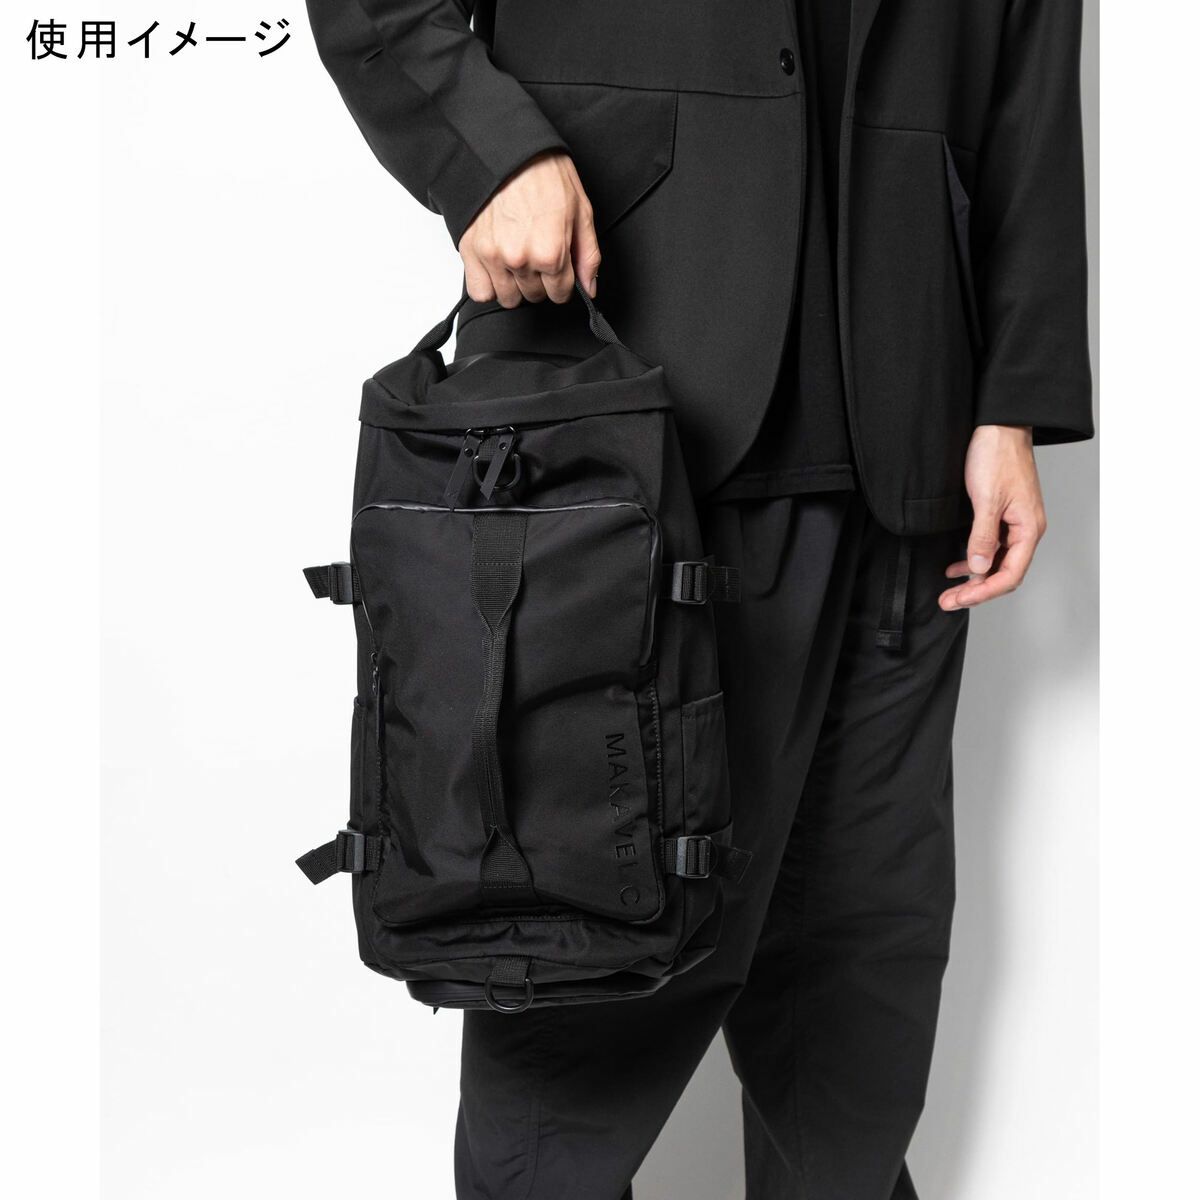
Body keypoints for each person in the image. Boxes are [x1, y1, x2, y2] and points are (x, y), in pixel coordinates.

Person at [303, 2, 1094, 1196]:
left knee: (858, 1000)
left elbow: (1031, 50)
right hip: (630, 430)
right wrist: (492, 153)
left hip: (908, 429)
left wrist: (1013, 394)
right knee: (585, 983)